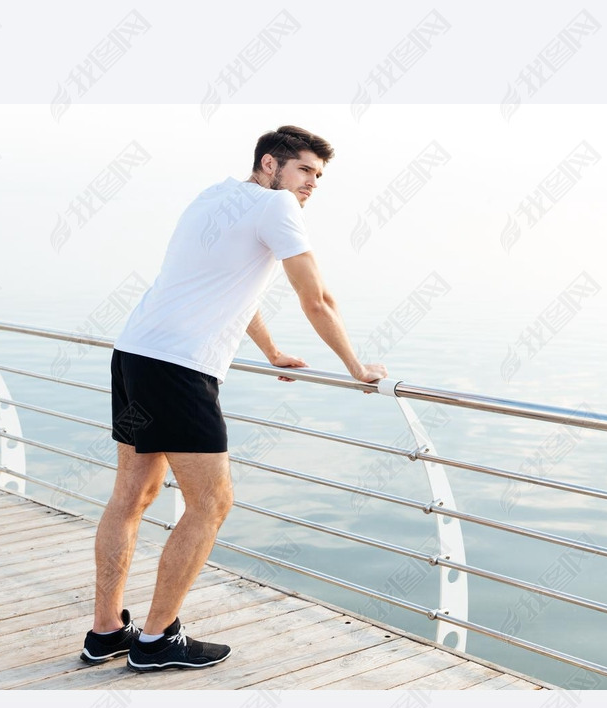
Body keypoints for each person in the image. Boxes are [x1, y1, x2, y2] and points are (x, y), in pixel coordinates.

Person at [80, 123, 388, 673]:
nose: (312, 185)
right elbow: (316, 298)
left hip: (134, 355)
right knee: (212, 503)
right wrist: (356, 367)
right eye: (304, 171)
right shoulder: (278, 209)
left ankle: (105, 633)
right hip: (178, 370)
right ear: (270, 164)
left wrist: (270, 351)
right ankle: (155, 642)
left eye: (319, 176)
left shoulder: (213, 196)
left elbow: (224, 286)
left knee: (131, 496)